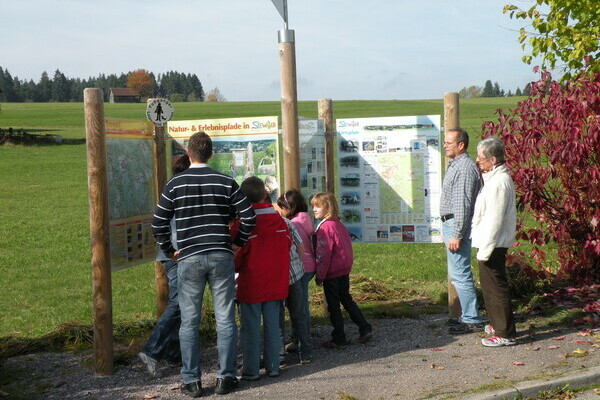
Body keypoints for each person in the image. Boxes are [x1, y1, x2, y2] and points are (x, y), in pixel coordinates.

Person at [152, 132, 256, 398]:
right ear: (210, 154)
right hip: (221, 255)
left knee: (189, 321)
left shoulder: (175, 184)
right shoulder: (225, 181)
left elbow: (158, 223)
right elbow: (248, 215)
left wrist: (170, 250)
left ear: (188, 153)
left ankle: (191, 380)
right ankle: (226, 377)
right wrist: (237, 243)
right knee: (225, 319)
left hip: (189, 257)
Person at [230, 176, 291, 380]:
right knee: (273, 327)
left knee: (250, 329)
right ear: (264, 195)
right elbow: (287, 247)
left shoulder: (242, 224)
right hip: (275, 281)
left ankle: (251, 369)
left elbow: (235, 257)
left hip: (251, 284)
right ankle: (274, 367)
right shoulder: (280, 222)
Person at [139, 155, 190, 376]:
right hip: (176, 255)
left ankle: (174, 353)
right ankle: (151, 351)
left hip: (171, 253)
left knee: (178, 304)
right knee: (179, 304)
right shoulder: (181, 190)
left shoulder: (171, 188)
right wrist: (172, 252)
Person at [311, 192, 372, 348]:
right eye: (313, 206)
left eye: (318, 206)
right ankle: (364, 327)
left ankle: (339, 337)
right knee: (346, 299)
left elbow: (324, 254)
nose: (314, 210)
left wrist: (320, 275)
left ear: (328, 207)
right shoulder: (339, 225)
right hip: (343, 270)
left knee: (333, 306)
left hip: (331, 273)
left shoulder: (325, 228)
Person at [472, 137, 517, 347]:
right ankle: (496, 323)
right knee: (489, 287)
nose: (478, 161)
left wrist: (485, 249)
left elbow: (494, 219)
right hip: (489, 243)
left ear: (494, 159)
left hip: (493, 244)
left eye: (481, 158)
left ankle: (505, 333)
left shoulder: (499, 182)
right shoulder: (493, 178)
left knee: (496, 288)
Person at [440, 128, 484, 334]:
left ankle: (472, 318)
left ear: (461, 145)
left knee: (460, 273)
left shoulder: (464, 168)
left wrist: (456, 233)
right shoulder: (456, 165)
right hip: (451, 223)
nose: (445, 145)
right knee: (457, 272)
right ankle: (467, 315)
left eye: (449, 143)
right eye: (445, 142)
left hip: (457, 225)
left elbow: (463, 205)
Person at [274, 191, 313, 365]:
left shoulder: (285, 222)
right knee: (299, 313)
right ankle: (305, 352)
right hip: (296, 273)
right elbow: (300, 247)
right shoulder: (289, 223)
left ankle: (280, 354)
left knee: (278, 315)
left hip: (278, 276)